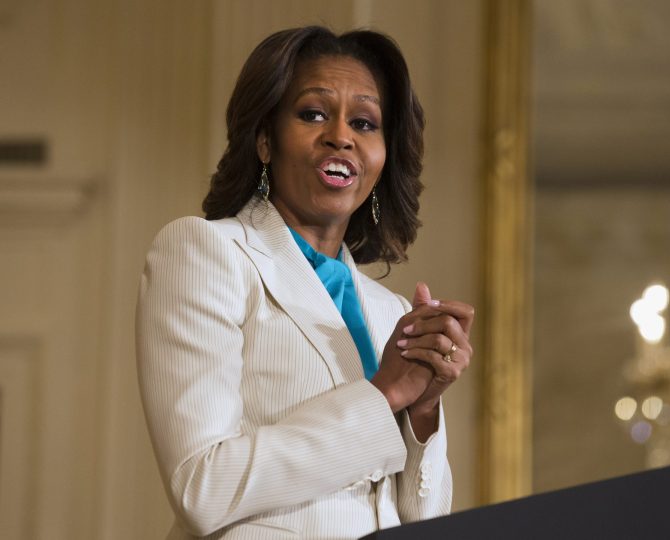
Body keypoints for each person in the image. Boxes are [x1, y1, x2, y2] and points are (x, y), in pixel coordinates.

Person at [136, 26, 474, 540]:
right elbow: (202, 488)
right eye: (313, 113)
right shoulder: (205, 252)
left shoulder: (391, 311)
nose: (342, 135)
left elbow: (422, 522)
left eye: (365, 122)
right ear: (265, 139)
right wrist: (384, 396)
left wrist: (423, 408)